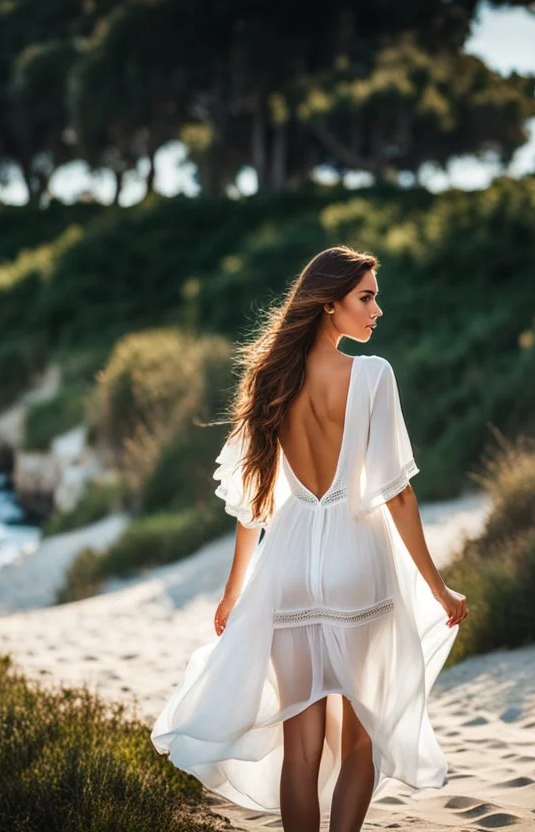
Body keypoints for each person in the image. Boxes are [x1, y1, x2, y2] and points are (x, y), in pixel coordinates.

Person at [151, 245, 468, 832]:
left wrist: (233, 591)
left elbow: (254, 503)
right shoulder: (372, 375)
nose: (378, 310)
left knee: (301, 749)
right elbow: (396, 495)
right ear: (329, 305)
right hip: (358, 565)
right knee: (358, 744)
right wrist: (440, 589)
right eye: (366, 297)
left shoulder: (271, 381)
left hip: (290, 570)